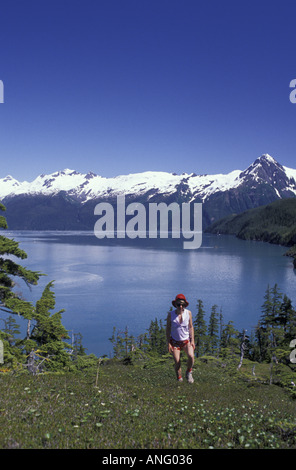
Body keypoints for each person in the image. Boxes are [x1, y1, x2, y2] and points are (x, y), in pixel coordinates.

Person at [166, 293, 195, 383]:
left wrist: (192, 340)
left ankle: (189, 372)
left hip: (186, 341)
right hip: (175, 342)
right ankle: (179, 379)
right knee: (177, 362)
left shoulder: (188, 313)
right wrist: (168, 343)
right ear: (175, 304)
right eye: (179, 304)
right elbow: (168, 329)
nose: (181, 306)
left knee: (191, 356)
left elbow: (190, 327)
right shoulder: (171, 315)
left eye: (183, 304)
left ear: (185, 305)